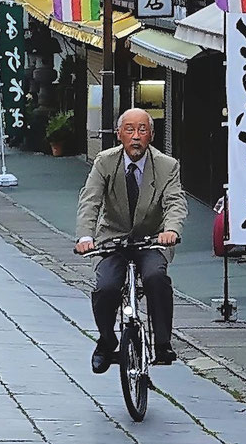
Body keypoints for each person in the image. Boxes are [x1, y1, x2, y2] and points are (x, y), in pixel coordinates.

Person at [74, 109, 186, 373]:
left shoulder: (167, 165)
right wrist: (85, 236)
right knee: (106, 287)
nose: (136, 137)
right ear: (119, 134)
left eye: (142, 130)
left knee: (155, 277)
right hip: (113, 238)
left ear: (152, 135)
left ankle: (162, 343)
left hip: (152, 239)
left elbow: (175, 202)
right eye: (130, 130)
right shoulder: (105, 162)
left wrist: (170, 230)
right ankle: (106, 341)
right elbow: (90, 200)